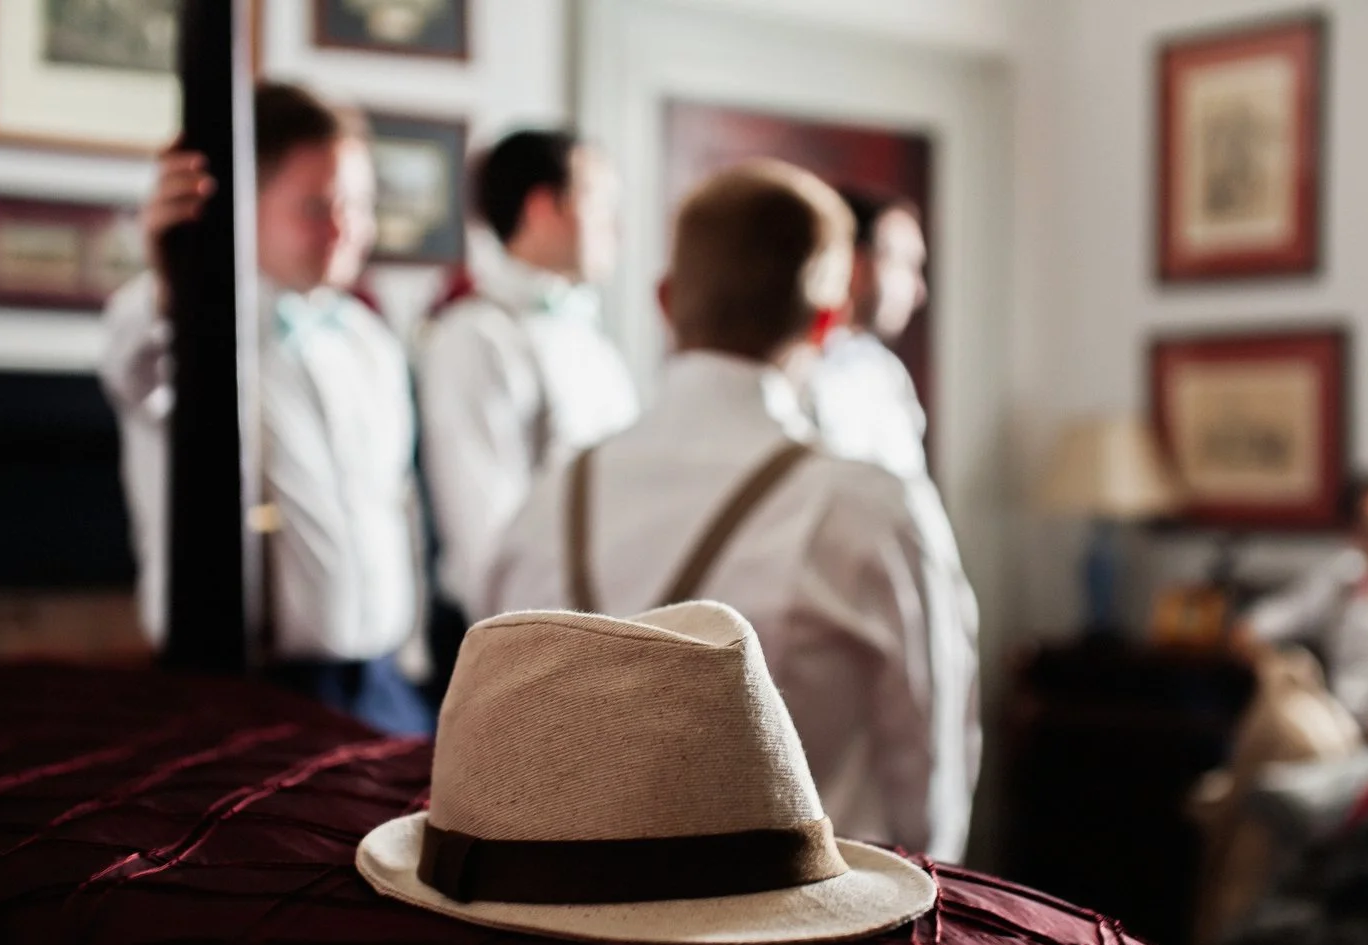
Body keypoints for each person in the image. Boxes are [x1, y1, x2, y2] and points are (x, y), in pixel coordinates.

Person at [481, 161, 981, 861]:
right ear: (827, 319)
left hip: (569, 926)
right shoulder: (873, 511)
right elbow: (929, 761)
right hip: (802, 941)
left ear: (665, 299)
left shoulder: (552, 495)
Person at [99, 82, 431, 735]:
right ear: (241, 207)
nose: (344, 230)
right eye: (315, 206)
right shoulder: (175, 323)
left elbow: (396, 502)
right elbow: (137, 370)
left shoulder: (369, 339)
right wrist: (178, 281)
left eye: (358, 206)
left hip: (386, 685)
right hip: (255, 693)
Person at [415, 129, 639, 615]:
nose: (616, 229)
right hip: (524, 631)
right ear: (543, 207)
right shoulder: (475, 337)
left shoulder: (593, 341)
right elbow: (482, 531)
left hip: (607, 620)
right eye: (601, 204)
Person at [1237, 471, 1368, 738]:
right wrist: (1264, 656)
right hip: (1336, 727)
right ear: (1355, 531)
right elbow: (1267, 621)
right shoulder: (1343, 575)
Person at [800, 188, 929, 480]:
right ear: (855, 264)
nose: (919, 291)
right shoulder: (797, 376)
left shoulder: (885, 373)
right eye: (905, 263)